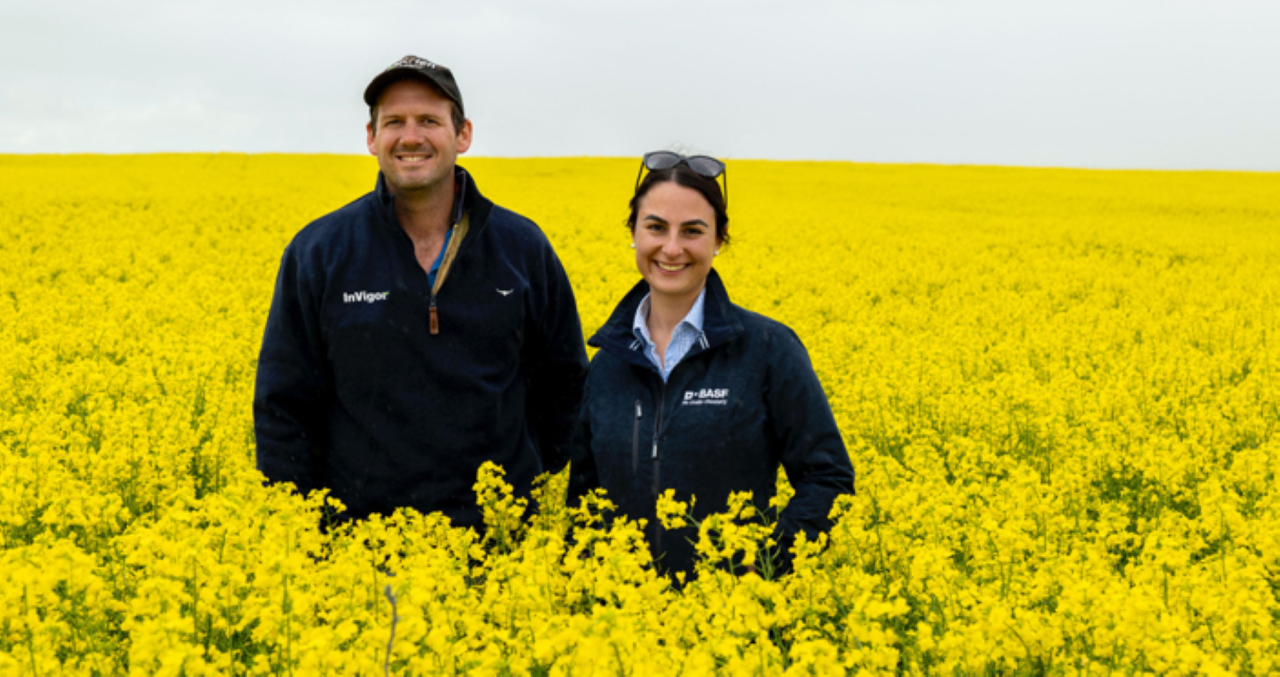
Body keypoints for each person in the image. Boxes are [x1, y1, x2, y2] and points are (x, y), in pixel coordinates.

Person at [254, 55, 588, 530]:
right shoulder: (320, 252)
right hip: (360, 556)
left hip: (500, 552)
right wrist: (303, 535)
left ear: (463, 135)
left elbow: (566, 383)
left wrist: (523, 484)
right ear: (371, 138)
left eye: (429, 120)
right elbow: (282, 403)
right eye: (394, 122)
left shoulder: (522, 248)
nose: (411, 137)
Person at [568, 151, 854, 575]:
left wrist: (768, 570)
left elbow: (828, 479)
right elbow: (584, 502)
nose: (671, 247)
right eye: (655, 227)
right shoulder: (608, 365)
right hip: (625, 626)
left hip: (738, 626)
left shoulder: (769, 349)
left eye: (693, 231)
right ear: (633, 233)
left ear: (719, 240)